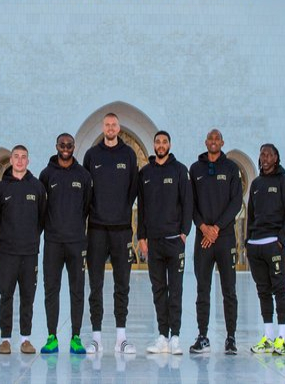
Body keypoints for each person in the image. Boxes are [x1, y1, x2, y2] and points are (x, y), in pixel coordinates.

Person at [82, 112, 139, 355]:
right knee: (95, 285)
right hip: (96, 230)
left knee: (121, 285)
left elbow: (133, 188)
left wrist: (123, 211)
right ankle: (96, 337)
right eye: (107, 125)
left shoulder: (129, 154)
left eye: (114, 124)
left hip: (121, 230)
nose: (110, 128)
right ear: (103, 128)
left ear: (119, 127)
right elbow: (85, 190)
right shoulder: (92, 155)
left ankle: (121, 337)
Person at [188, 128, 243, 356]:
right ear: (205, 142)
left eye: (217, 138)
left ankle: (230, 337)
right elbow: (191, 203)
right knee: (203, 289)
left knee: (228, 290)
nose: (213, 141)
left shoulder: (231, 168)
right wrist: (203, 227)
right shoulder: (196, 169)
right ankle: (203, 336)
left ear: (222, 142)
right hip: (203, 240)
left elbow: (236, 202)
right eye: (210, 138)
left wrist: (217, 228)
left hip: (224, 237)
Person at [138, 131, 192, 355]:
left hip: (174, 241)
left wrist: (184, 233)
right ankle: (162, 335)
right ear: (153, 145)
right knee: (158, 289)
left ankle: (175, 336)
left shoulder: (180, 170)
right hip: (154, 242)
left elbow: (187, 202)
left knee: (176, 289)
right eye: (158, 142)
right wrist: (142, 237)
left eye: (164, 142)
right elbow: (141, 207)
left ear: (169, 144)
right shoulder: (146, 173)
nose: (161, 145)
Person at [38, 133, 92, 355]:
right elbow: (42, 207)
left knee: (77, 290)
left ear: (74, 147)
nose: (66, 148)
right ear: (56, 146)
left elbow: (87, 205)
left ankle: (76, 336)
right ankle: (52, 336)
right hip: (53, 242)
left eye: (69, 145)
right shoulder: (46, 174)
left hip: (76, 242)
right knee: (51, 289)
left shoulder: (83, 175)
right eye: (62, 145)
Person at [0, 144, 47, 354]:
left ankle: (25, 339)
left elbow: (42, 218)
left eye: (23, 157)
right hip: (7, 252)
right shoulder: (0, 188)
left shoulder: (37, 187)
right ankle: (5, 339)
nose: (19, 160)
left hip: (29, 252)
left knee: (28, 296)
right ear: (10, 160)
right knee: (6, 295)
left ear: (28, 161)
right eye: (16, 157)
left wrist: (32, 238)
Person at [246, 143, 285, 356]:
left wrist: (281, 238)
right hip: (256, 245)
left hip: (274, 243)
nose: (265, 157)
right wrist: (248, 240)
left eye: (269, 154)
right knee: (262, 290)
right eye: (262, 154)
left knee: (279, 288)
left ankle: (282, 338)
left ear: (276, 158)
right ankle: (268, 335)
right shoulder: (256, 183)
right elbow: (250, 214)